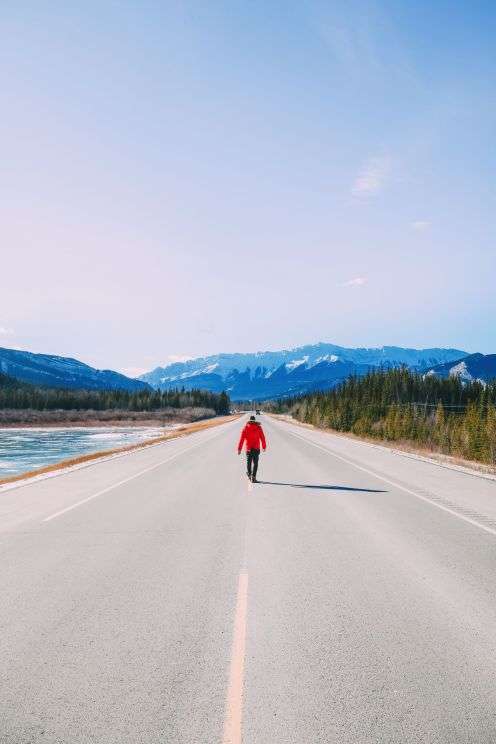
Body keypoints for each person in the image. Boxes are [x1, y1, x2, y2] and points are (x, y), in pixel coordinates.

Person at [237, 415, 267, 483]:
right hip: (256, 448)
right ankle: (253, 477)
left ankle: (249, 474)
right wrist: (264, 447)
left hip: (248, 449)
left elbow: (241, 439)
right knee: (255, 463)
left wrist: (239, 449)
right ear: (255, 421)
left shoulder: (245, 428)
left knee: (249, 462)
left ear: (249, 421)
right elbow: (263, 438)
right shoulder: (259, 428)